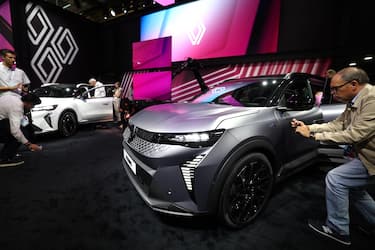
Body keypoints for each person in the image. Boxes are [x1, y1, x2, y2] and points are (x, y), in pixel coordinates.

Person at [291, 67, 375, 246]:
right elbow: (338, 124)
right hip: (365, 155)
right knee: (356, 191)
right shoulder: (356, 99)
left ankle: (338, 230)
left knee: (336, 179)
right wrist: (309, 127)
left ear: (354, 84)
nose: (333, 93)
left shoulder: (372, 99)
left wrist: (313, 136)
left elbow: (354, 135)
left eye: (337, 88)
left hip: (371, 159)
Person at [0, 93, 43, 167]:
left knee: (26, 128)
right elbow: (15, 131)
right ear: (27, 103)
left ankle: (7, 153)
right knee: (19, 134)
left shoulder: (19, 99)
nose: (32, 107)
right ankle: (4, 159)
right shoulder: (17, 108)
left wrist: (31, 136)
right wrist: (28, 144)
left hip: (2, 118)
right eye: (32, 105)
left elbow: (23, 122)